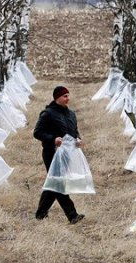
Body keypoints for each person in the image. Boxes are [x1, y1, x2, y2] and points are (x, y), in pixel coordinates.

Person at [32, 85, 85, 224]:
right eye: (64, 96)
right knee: (59, 183)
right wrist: (53, 139)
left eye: (68, 95)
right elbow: (37, 132)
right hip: (52, 153)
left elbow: (74, 130)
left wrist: (77, 139)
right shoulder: (48, 113)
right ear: (57, 98)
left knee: (53, 183)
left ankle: (41, 213)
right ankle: (72, 215)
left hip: (68, 154)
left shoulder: (71, 114)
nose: (68, 98)